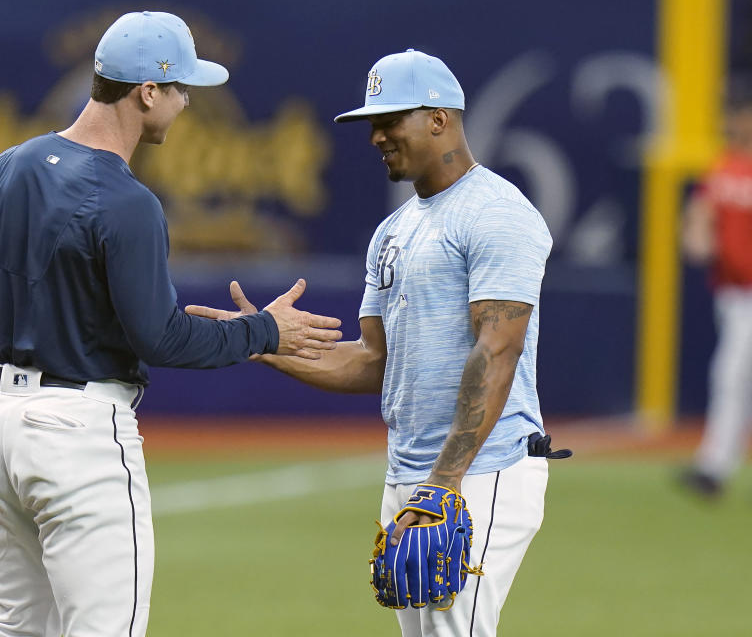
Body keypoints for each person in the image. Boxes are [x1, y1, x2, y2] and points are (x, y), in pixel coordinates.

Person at [0, 11, 342, 637]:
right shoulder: (127, 201)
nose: (186, 103)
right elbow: (159, 337)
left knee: (16, 625)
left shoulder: (4, 169)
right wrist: (264, 330)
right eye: (182, 88)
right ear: (146, 91)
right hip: (79, 434)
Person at [187, 49, 568, 637]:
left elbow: (498, 350)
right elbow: (373, 361)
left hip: (480, 473)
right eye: (373, 123)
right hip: (412, 472)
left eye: (391, 120)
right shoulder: (395, 228)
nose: (377, 136)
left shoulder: (496, 213)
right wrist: (258, 343)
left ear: (439, 119)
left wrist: (444, 483)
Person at [679, 95, 752, 497]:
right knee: (733, 378)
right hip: (733, 291)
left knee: (730, 374)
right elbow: (701, 210)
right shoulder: (725, 164)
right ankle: (715, 466)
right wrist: (696, 233)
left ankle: (713, 467)